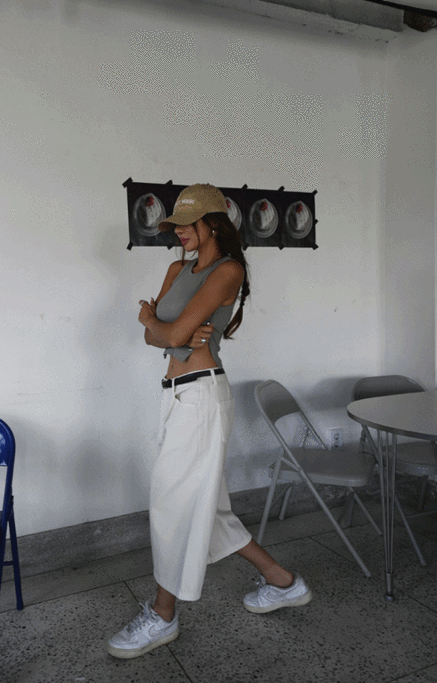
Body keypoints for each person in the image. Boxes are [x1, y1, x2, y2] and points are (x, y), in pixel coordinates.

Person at [107, 184, 311, 660]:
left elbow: (164, 330)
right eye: (175, 225)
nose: (178, 232)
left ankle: (163, 615)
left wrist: (156, 323)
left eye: (187, 223)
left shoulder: (228, 270)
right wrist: (163, 330)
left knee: (171, 503)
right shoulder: (177, 269)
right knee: (210, 512)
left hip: (202, 397)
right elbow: (159, 337)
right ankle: (284, 582)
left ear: (213, 224)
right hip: (175, 395)